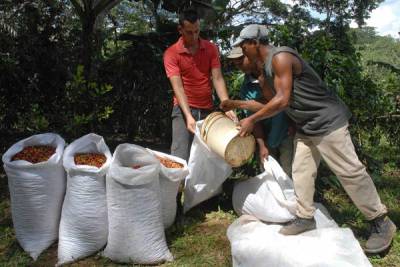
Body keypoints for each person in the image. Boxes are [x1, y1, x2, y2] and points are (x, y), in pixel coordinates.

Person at [221, 24, 396, 253]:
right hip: (306, 126)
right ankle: (305, 217)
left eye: (243, 45)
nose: (242, 51)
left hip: (326, 121)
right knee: (301, 171)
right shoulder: (265, 68)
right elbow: (271, 103)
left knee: (349, 171)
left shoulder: (281, 57)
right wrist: (253, 91)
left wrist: (252, 120)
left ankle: (381, 221)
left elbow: (282, 101)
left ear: (255, 43)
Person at [163, 9, 237, 162]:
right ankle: (176, 186)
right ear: (180, 30)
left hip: (207, 109)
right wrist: (188, 116)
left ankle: (203, 187)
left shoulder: (210, 48)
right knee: (180, 155)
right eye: (189, 32)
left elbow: (217, 78)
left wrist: (226, 104)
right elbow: (178, 88)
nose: (194, 36)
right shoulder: (171, 53)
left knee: (208, 156)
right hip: (183, 110)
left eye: (197, 31)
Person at [227, 47, 293, 175]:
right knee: (269, 174)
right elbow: (254, 119)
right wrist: (262, 145)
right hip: (267, 136)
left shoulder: (274, 73)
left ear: (250, 55)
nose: (238, 65)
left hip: (286, 133)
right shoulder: (246, 87)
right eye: (235, 63)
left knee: (289, 173)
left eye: (241, 60)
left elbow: (283, 102)